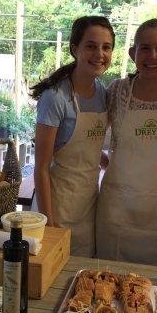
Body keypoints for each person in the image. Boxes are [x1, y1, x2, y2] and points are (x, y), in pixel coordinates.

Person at [96, 19, 157, 267]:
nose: (153, 56)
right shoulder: (116, 91)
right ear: (133, 53)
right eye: (145, 48)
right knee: (111, 279)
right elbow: (90, 135)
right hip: (118, 206)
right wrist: (108, 161)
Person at [30, 16, 115, 258]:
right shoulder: (55, 97)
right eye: (91, 46)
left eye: (106, 47)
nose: (99, 53)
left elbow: (87, 145)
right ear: (75, 49)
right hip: (57, 203)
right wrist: (49, 222)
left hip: (88, 205)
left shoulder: (103, 93)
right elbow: (42, 167)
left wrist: (116, 167)